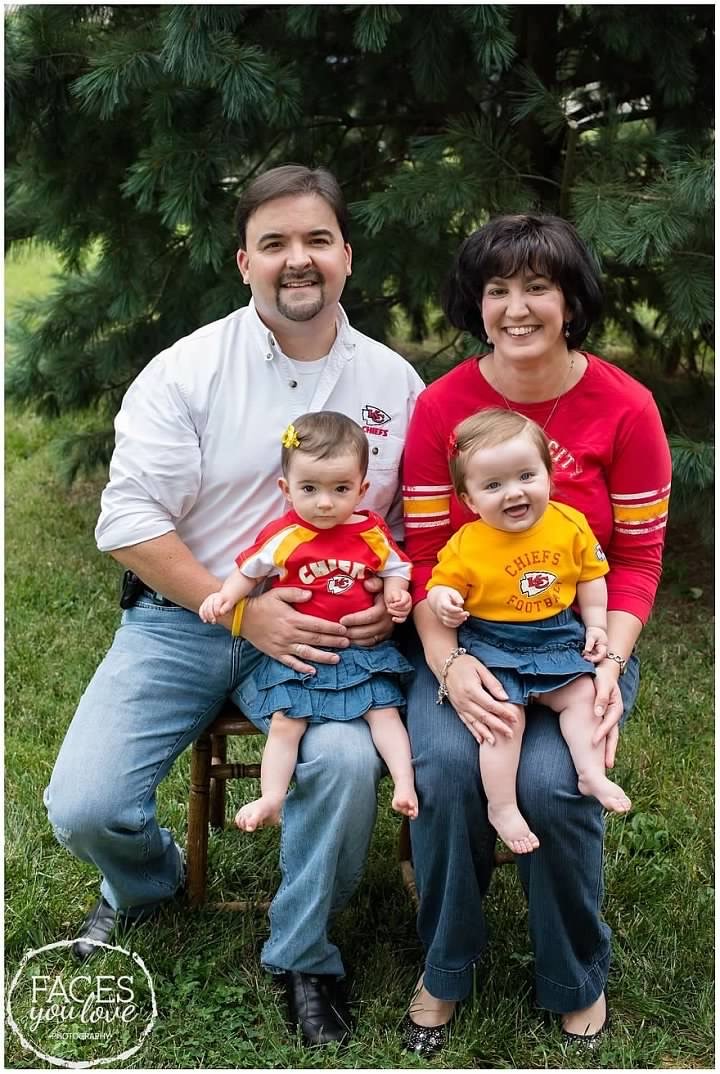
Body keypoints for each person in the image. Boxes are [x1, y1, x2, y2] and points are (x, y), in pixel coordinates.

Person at [44, 164, 424, 1047]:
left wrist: (392, 609)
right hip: (186, 617)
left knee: (340, 760)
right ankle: (145, 882)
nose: (299, 260)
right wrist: (246, 613)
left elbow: (411, 525)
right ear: (243, 261)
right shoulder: (187, 370)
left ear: (346, 256)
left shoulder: (393, 384)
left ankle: (302, 956)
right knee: (86, 805)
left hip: (330, 636)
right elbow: (129, 522)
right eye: (276, 243)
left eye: (317, 240)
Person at [400, 213, 671, 1054]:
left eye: (537, 287)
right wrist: (446, 665)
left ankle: (572, 971)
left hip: (575, 642)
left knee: (559, 783)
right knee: (446, 764)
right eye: (497, 289)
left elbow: (636, 559)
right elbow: (420, 558)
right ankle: (445, 964)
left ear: (570, 298)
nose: (517, 308)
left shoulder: (625, 407)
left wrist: (609, 664)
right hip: (468, 639)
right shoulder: (442, 406)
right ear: (476, 304)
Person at [198, 410, 418, 829]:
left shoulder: (371, 531)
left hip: (360, 653)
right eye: (309, 488)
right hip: (302, 653)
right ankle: (271, 798)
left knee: (384, 713)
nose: (324, 501)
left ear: (362, 488)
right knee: (286, 723)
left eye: (340, 489)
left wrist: (395, 597)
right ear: (286, 488)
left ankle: (404, 785)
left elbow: (396, 569)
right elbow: (249, 571)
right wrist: (223, 599)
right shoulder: (286, 535)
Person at [427, 408, 630, 857]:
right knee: (504, 720)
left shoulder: (569, 523)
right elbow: (441, 582)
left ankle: (588, 771)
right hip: (494, 643)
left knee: (582, 698)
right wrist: (444, 600)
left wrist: (596, 623)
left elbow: (591, 576)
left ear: (549, 475)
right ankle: (502, 806)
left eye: (525, 475)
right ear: (469, 499)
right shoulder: (468, 543)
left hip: (556, 636)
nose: (514, 493)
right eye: (493, 485)